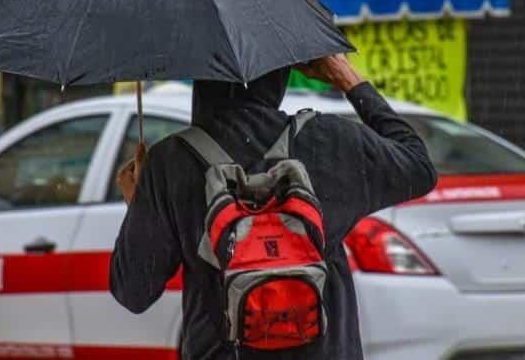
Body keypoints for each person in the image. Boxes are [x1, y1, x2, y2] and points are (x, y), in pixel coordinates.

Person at [110, 54, 437, 360]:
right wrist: (348, 78)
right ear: (280, 71)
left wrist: (139, 203)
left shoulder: (172, 162)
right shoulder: (328, 140)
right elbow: (419, 167)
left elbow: (133, 292)